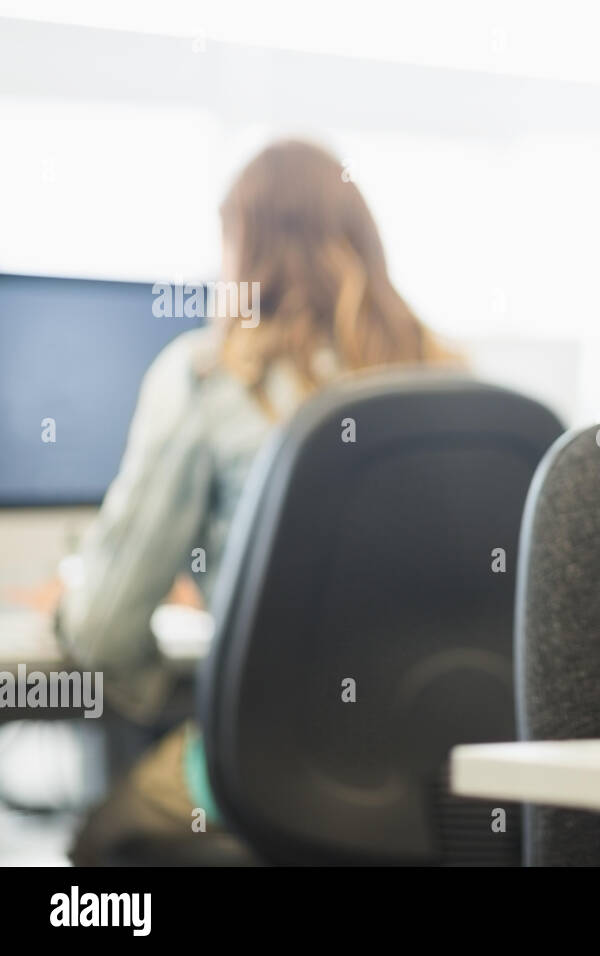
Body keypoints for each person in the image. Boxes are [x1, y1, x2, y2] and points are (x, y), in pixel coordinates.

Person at [53, 138, 465, 864]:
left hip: (274, 777)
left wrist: (162, 676)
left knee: (101, 836)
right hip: (438, 788)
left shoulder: (209, 378)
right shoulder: (458, 384)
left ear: (243, 249)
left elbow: (106, 631)